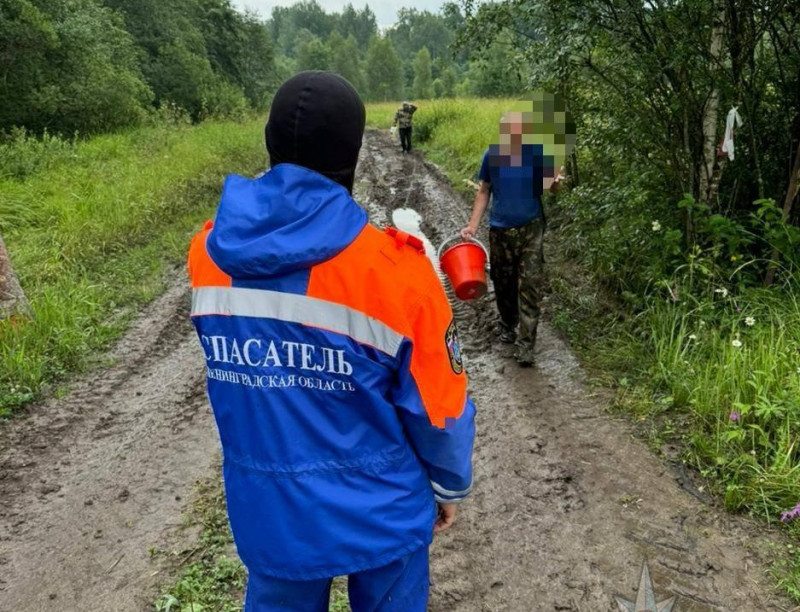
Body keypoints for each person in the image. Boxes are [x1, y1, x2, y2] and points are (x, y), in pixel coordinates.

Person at [187, 71, 475, 612]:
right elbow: (439, 410)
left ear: (270, 145)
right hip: (383, 514)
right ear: (354, 154)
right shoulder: (397, 273)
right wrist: (449, 486)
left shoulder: (207, 258)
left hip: (271, 516)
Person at [460, 111, 564, 367]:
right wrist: (472, 225)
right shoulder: (492, 156)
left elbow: (551, 186)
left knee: (530, 284)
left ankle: (526, 344)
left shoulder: (537, 155)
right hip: (500, 231)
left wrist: (555, 182)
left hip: (531, 228)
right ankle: (507, 323)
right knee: (502, 281)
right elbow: (484, 190)